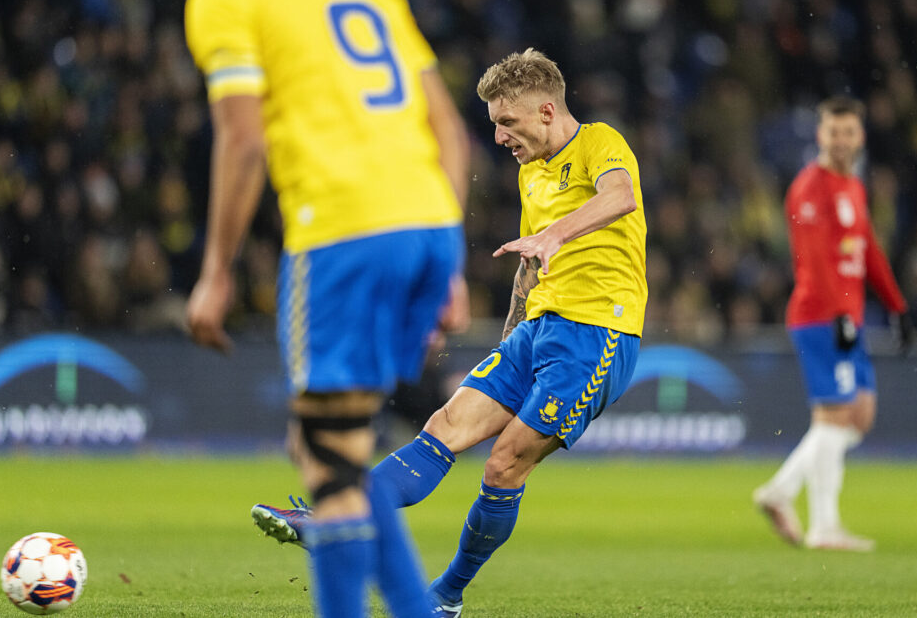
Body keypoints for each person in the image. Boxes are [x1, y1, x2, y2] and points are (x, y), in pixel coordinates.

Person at [252, 48, 648, 616]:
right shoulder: (530, 173)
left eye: (505, 123)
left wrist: (554, 235)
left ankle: (446, 596)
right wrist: (512, 336)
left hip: (597, 336)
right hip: (537, 330)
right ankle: (337, 513)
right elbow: (530, 265)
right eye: (492, 126)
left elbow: (620, 197)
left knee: (504, 463)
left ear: (544, 110)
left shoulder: (600, 143)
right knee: (444, 424)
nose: (499, 138)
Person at [183, 0, 471, 616]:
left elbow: (242, 137)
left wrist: (215, 271)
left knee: (327, 457)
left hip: (343, 231)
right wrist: (453, 257)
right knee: (333, 449)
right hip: (429, 223)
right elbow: (449, 129)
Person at [752, 95, 913, 552]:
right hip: (821, 316)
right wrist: (842, 312)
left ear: (860, 136)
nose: (841, 141)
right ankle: (824, 525)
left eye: (849, 132)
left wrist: (896, 306)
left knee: (858, 415)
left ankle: (781, 491)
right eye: (832, 132)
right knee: (835, 415)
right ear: (820, 135)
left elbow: (868, 252)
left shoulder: (854, 188)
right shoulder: (810, 188)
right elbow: (815, 260)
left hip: (847, 316)